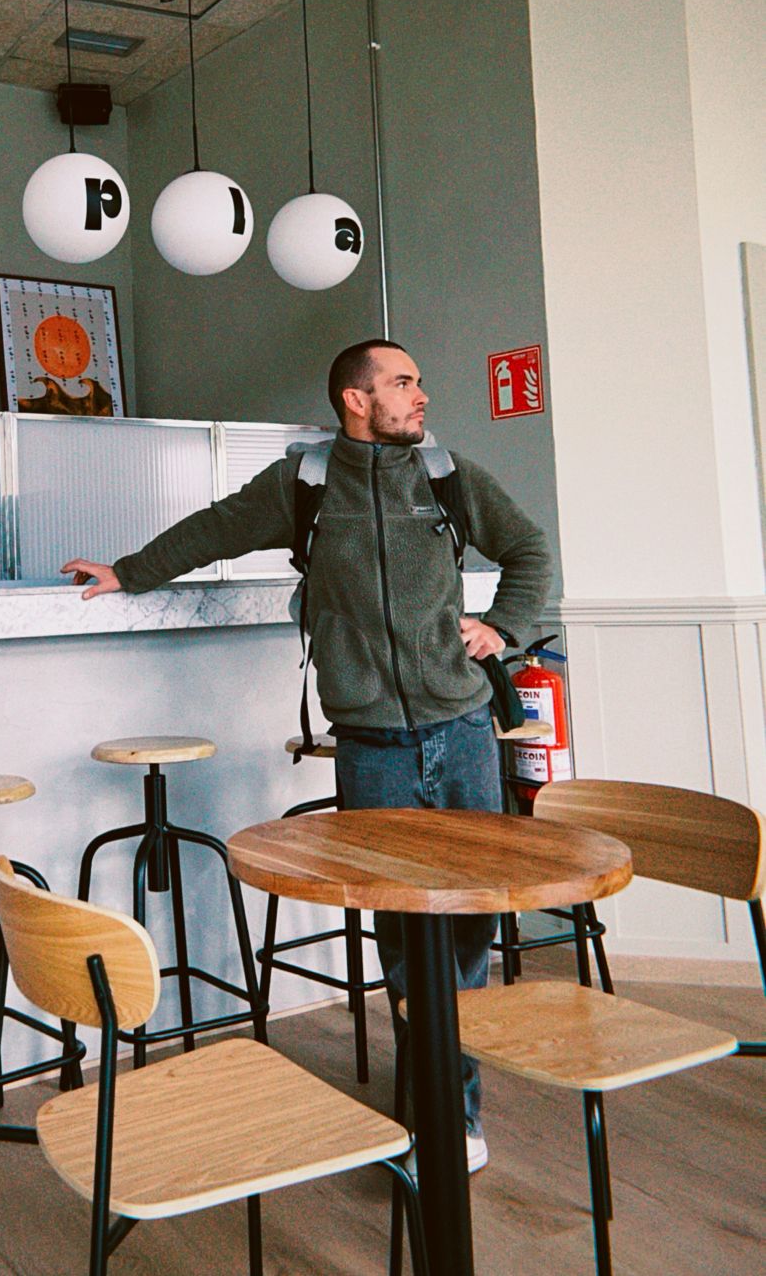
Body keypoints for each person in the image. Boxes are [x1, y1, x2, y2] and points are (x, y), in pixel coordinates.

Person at [63, 338, 553, 1173]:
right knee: (405, 935)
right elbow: (215, 529)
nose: (421, 396)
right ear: (357, 399)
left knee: (469, 925)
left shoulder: (448, 476)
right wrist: (129, 572)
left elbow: (529, 550)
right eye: (403, 383)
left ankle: (453, 1106)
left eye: (418, 382)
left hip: (465, 730)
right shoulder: (305, 484)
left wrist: (501, 627)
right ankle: (438, 1113)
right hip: (373, 748)